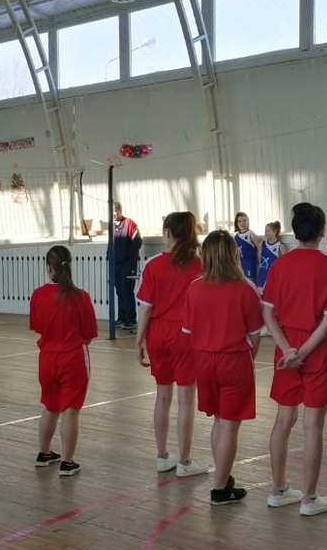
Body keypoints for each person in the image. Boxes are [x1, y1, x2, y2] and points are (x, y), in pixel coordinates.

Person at [261, 202, 327, 516]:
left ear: (294, 231)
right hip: (317, 350)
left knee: (283, 420)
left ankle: (278, 490)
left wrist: (288, 350)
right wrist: (305, 351)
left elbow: (268, 313)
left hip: (287, 349)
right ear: (322, 232)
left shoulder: (280, 265)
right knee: (313, 426)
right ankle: (309, 498)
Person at [181, 231, 264, 505]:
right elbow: (255, 336)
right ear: (234, 254)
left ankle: (223, 478)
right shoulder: (245, 288)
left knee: (219, 420)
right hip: (234, 360)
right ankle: (219, 488)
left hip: (204, 360)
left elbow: (188, 331)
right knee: (229, 425)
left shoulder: (194, 287)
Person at [134, 211, 208, 478]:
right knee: (186, 400)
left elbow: (146, 308)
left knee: (162, 396)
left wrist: (139, 340)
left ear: (167, 233)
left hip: (158, 333)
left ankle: (163, 456)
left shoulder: (152, 265)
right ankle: (185, 461)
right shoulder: (200, 265)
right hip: (186, 334)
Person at [30, 245, 98, 475]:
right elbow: (89, 333)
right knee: (71, 410)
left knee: (50, 407)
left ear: (49, 268)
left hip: (46, 359)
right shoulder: (81, 297)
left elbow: (37, 327)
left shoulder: (38, 295)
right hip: (72, 358)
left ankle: (44, 453)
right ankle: (67, 462)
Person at [110, 202, 142, 330]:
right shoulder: (112, 226)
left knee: (127, 290)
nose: (113, 214)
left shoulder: (129, 223)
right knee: (119, 290)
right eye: (111, 212)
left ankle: (130, 319)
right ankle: (121, 317)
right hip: (116, 264)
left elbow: (138, 241)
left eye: (115, 211)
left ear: (120, 210)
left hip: (128, 264)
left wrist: (126, 255)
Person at [256, 221, 286, 291]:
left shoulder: (280, 246)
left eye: (267, 231)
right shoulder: (262, 244)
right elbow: (259, 259)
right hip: (262, 275)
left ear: (275, 231)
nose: (265, 233)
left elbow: (285, 263)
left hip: (273, 276)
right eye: (265, 231)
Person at [233, 212, 259, 282]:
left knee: (249, 284)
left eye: (244, 220)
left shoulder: (251, 234)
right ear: (236, 223)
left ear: (248, 221)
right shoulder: (236, 237)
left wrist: (258, 258)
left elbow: (260, 247)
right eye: (239, 221)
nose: (242, 223)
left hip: (249, 265)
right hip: (239, 266)